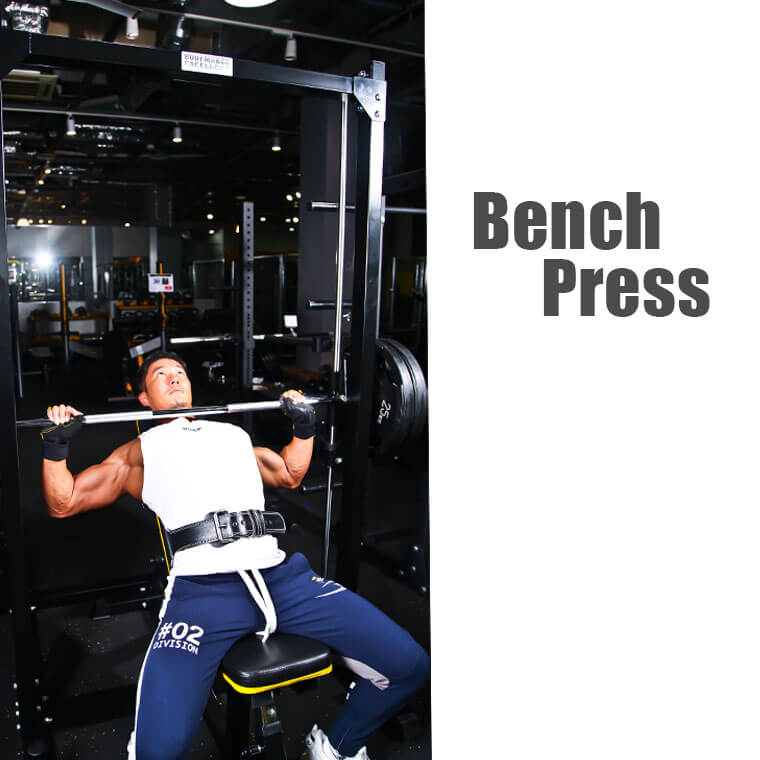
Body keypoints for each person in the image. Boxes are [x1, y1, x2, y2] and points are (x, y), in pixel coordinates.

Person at [40, 351, 430, 760]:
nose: (174, 378)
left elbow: (289, 473)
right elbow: (64, 501)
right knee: (158, 749)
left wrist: (304, 427)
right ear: (144, 399)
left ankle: (335, 748)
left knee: (409, 665)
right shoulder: (139, 452)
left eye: (180, 372)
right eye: (160, 375)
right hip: (203, 593)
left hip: (284, 579)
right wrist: (55, 446)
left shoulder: (232, 435)